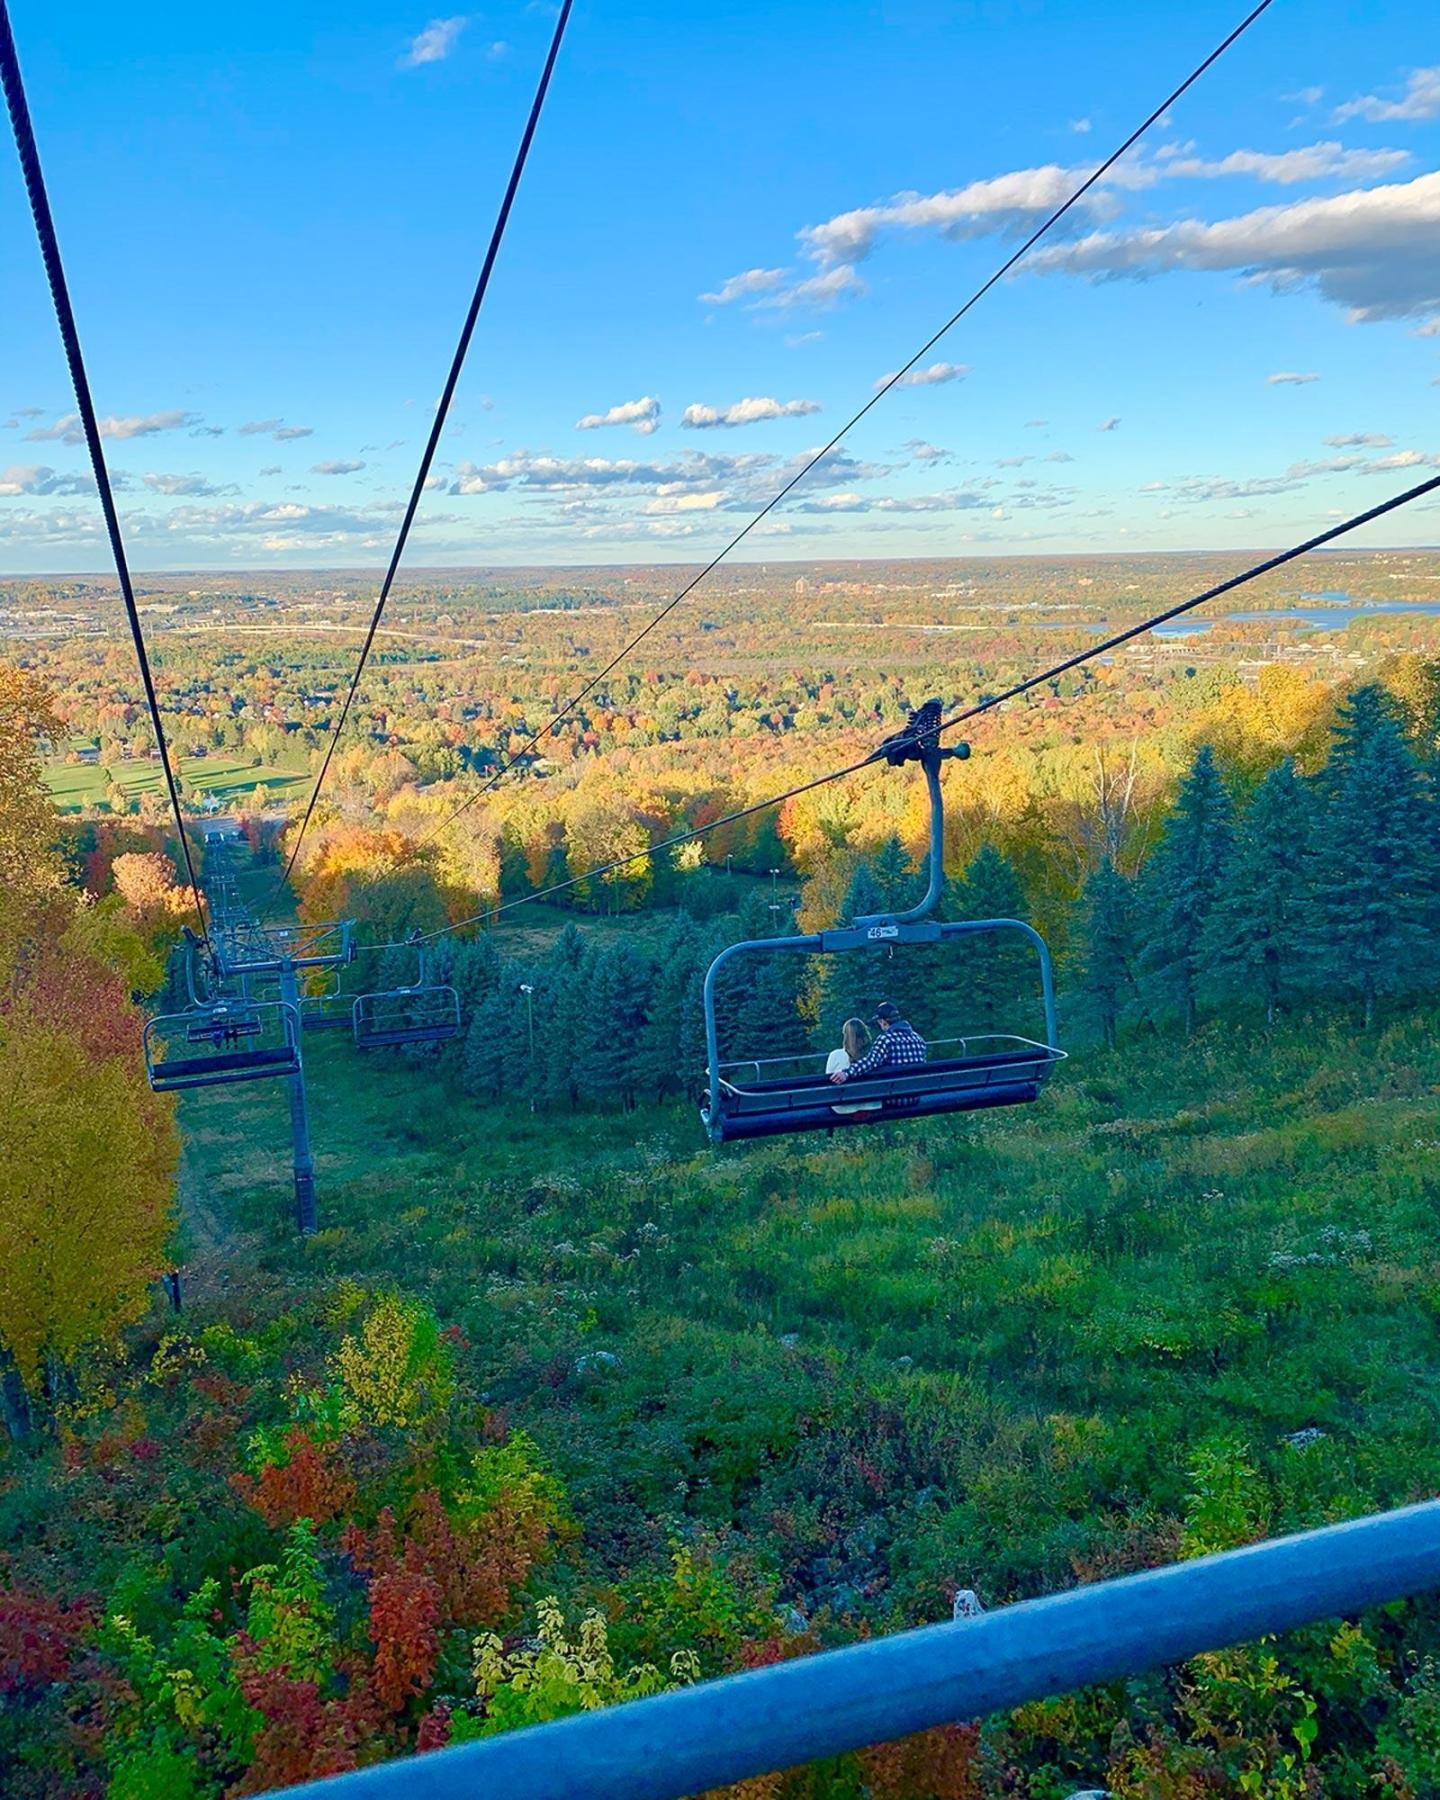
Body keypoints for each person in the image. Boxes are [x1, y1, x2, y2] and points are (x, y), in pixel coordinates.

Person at [829, 1001, 927, 1084]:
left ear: (883, 1022)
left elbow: (870, 1061)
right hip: (915, 1094)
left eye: (879, 1022)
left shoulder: (886, 1039)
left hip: (895, 1097)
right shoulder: (918, 1038)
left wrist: (846, 1073)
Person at [825, 1018, 882, 1115]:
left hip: (843, 1107)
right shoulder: (874, 1056)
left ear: (845, 1036)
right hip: (872, 1104)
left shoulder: (835, 1055)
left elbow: (828, 1082)